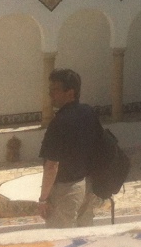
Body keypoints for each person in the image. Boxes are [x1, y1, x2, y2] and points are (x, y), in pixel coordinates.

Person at [38, 68, 102, 227]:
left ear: (70, 92)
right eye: (50, 90)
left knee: (60, 242)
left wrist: (43, 199)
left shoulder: (59, 123)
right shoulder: (88, 113)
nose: (51, 94)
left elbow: (52, 165)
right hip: (86, 185)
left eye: (55, 90)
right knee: (84, 237)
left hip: (66, 191)